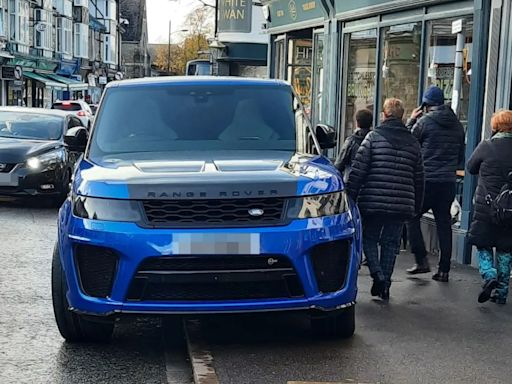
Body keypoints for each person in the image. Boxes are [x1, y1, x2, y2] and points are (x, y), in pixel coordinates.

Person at [347, 98, 424, 300]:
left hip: (372, 201)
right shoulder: (413, 143)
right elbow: (419, 178)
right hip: (401, 204)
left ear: (384, 115)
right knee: (391, 244)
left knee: (369, 238)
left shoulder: (373, 138)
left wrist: (350, 197)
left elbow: (358, 170)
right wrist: (416, 205)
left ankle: (377, 275)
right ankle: (385, 286)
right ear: (402, 116)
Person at [405, 85, 465, 282]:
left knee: (412, 216)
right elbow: (460, 157)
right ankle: (444, 269)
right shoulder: (457, 125)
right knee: (444, 223)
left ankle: (421, 260)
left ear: (426, 105)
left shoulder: (424, 122)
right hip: (447, 181)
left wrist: (412, 119)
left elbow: (408, 142)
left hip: (426, 180)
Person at [467, 110, 512, 304]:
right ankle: (501, 293)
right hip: (510, 207)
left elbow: (470, 167)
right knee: (505, 249)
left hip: (487, 205)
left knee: (483, 243)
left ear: (495, 126)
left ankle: (488, 273)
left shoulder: (487, 146)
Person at [334, 109, 373, 180]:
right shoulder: (375, 140)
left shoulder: (351, 141)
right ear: (371, 123)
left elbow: (339, 164)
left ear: (357, 123)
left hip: (351, 179)